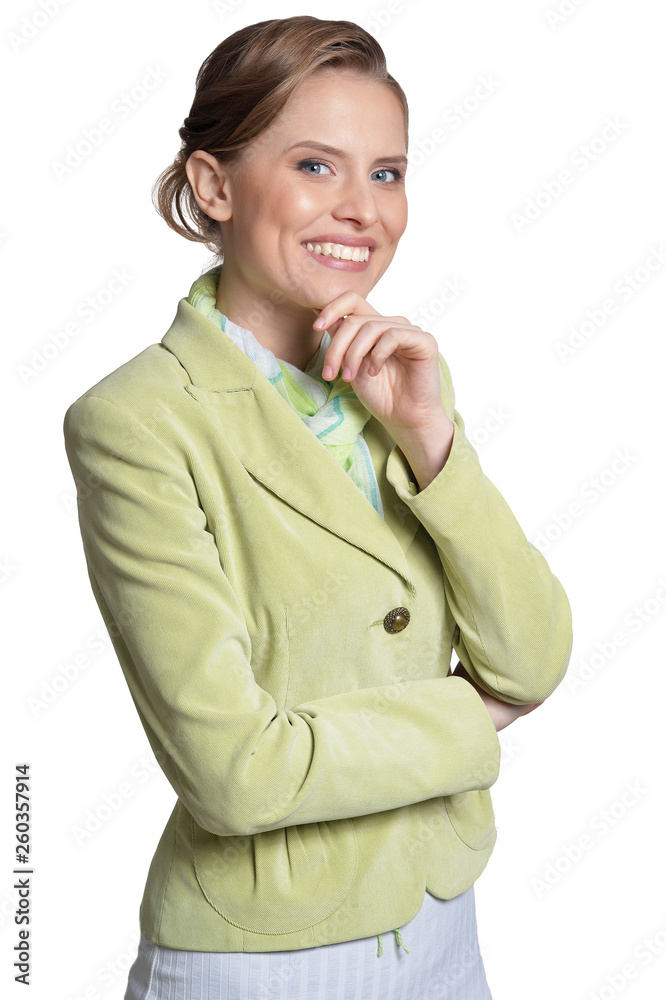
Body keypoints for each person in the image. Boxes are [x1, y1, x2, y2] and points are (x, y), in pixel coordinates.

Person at [63, 15, 573, 1000]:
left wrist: (431, 441)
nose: (362, 209)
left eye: (387, 173)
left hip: (443, 927)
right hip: (261, 959)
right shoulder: (137, 422)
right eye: (315, 166)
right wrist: (469, 717)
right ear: (214, 186)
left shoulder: (402, 382)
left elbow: (534, 659)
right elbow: (234, 771)